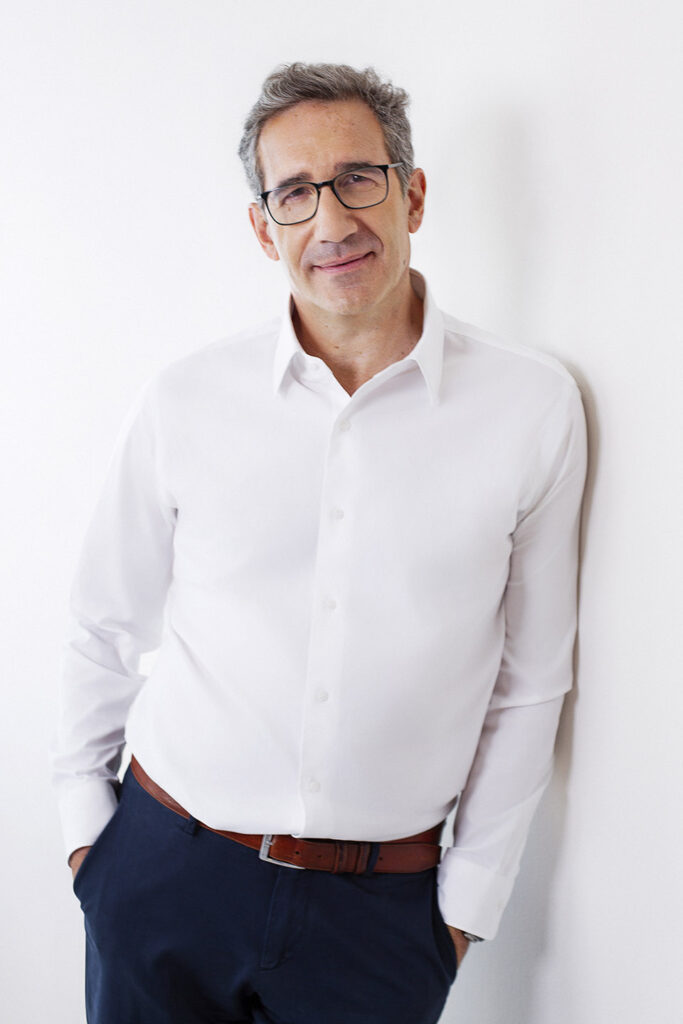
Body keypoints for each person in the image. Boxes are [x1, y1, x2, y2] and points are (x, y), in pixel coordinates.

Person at [51, 62, 587, 1024]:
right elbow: (102, 621)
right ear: (265, 229)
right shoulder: (186, 400)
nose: (331, 221)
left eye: (356, 179)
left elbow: (531, 681)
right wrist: (92, 844)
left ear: (411, 195)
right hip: (163, 873)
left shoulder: (530, 407)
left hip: (379, 918)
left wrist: (462, 911)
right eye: (294, 193)